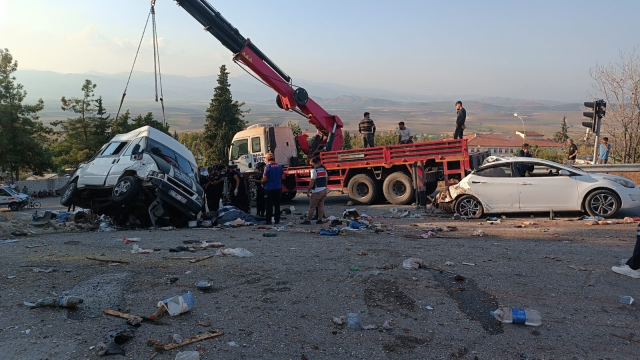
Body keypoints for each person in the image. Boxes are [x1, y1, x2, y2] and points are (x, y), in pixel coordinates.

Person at [302, 157, 328, 225]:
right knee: (321, 206)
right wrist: (325, 187)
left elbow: (312, 181)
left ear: (314, 163)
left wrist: (308, 191)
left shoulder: (314, 170)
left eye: (311, 164)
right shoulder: (324, 169)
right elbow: (326, 178)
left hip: (317, 191)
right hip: (324, 190)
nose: (311, 165)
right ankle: (320, 220)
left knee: (312, 206)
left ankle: (308, 220)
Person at [262, 153, 284, 225]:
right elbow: (283, 177)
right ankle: (277, 220)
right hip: (278, 188)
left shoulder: (267, 167)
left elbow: (264, 179)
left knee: (269, 205)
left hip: (269, 189)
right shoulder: (279, 166)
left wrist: (262, 182)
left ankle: (268, 221)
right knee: (277, 205)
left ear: (267, 159)